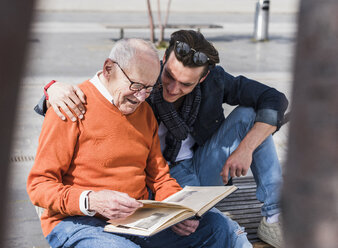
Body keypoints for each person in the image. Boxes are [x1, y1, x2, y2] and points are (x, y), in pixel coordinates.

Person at [36, 30, 289, 248]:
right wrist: (91, 200)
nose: (145, 95)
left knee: (222, 228)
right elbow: (39, 185)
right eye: (138, 86)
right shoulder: (73, 106)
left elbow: (158, 175)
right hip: (79, 219)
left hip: (139, 213)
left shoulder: (143, 106)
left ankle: (275, 216)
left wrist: (178, 211)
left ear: (202, 79)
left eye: (148, 88)